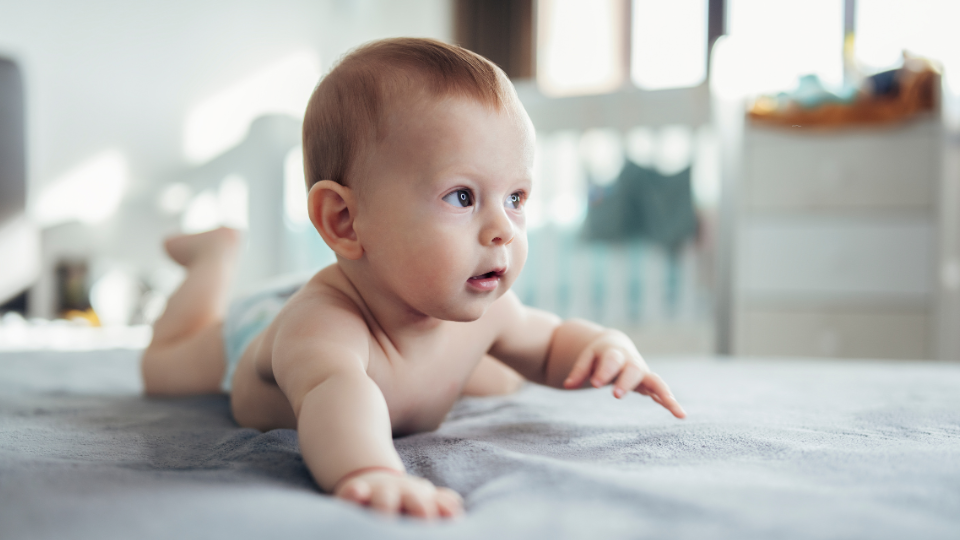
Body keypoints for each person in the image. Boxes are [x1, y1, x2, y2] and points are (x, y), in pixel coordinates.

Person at [140, 38, 686, 521]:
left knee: (503, 372)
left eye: (516, 198)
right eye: (462, 197)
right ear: (344, 221)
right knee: (163, 367)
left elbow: (548, 345)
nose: (502, 229)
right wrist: (372, 469)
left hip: (391, 318)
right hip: (255, 330)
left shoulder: (487, 307)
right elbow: (339, 399)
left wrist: (603, 347)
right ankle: (214, 258)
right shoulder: (323, 328)